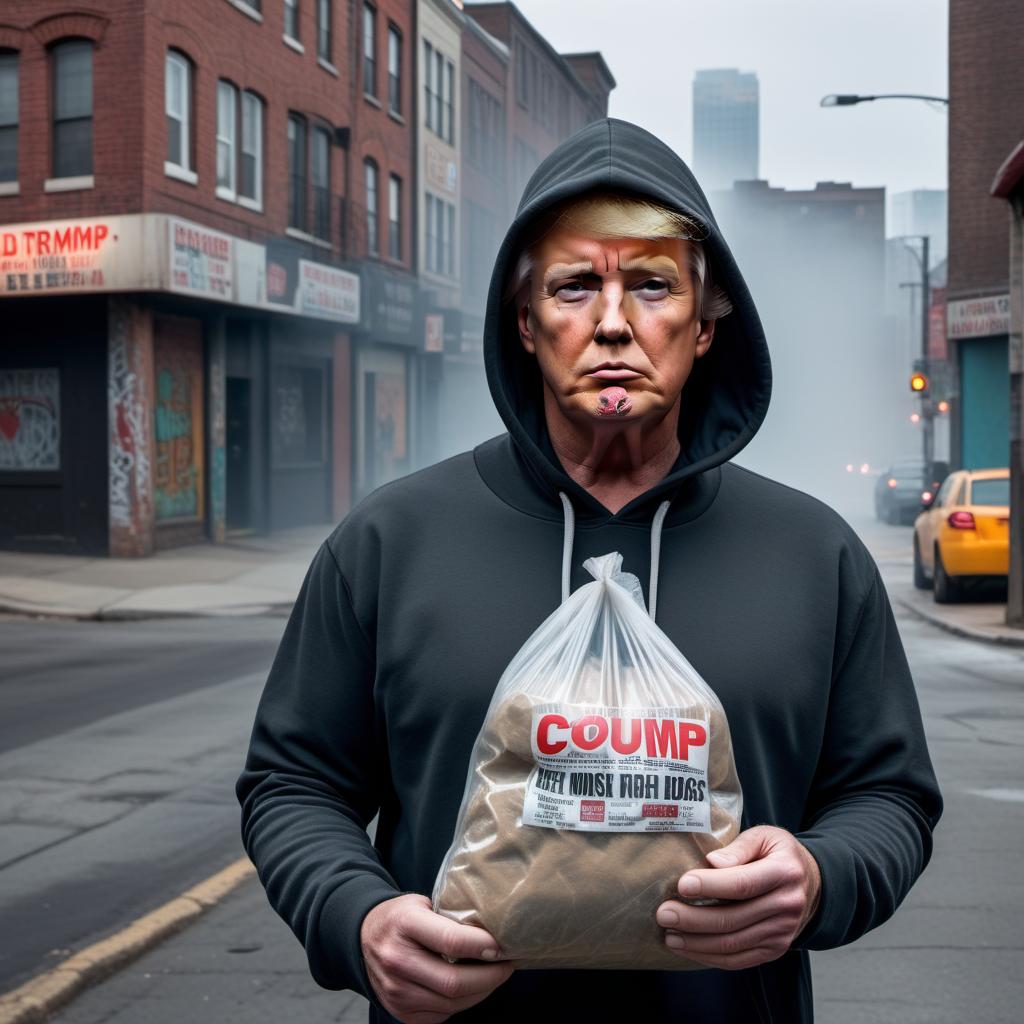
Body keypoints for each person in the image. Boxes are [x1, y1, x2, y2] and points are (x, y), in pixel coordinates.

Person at [236, 117, 942, 1023]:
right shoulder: (390, 542)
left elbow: (888, 796)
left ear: (706, 322)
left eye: (652, 284)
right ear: (524, 323)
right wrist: (356, 916)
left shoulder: (813, 554)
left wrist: (820, 877)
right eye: (574, 286)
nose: (613, 322)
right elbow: (294, 783)